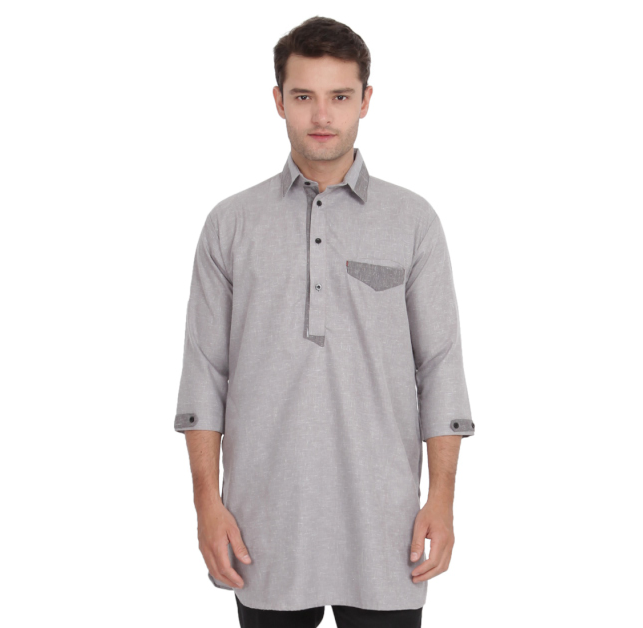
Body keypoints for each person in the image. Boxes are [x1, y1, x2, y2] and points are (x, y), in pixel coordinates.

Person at [173, 16, 475, 628]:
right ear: (278, 100)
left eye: (339, 96)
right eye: (304, 96)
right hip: (262, 526)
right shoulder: (230, 224)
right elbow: (204, 372)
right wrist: (207, 504)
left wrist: (441, 500)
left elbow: (440, 366)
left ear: (366, 99)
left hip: (387, 526)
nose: (321, 115)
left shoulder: (412, 221)